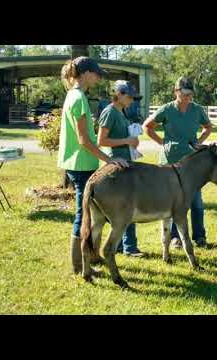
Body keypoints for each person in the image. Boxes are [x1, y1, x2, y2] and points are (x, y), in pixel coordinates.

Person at [57, 56, 129, 274]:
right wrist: (109, 159)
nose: (98, 78)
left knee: (86, 212)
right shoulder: (78, 98)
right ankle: (79, 267)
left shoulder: (73, 95)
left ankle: (87, 259)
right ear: (86, 73)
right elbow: (83, 140)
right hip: (80, 164)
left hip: (77, 162)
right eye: (97, 74)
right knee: (82, 214)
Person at [142, 76, 213, 249]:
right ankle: (175, 238)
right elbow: (147, 126)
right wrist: (162, 142)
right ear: (176, 92)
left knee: (196, 202)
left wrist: (199, 142)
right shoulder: (167, 109)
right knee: (172, 203)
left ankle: (199, 236)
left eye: (191, 94)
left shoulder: (197, 109)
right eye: (185, 93)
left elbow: (208, 127)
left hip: (190, 164)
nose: (189, 97)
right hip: (169, 163)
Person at [97, 80, 145, 258]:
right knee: (125, 208)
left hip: (125, 164)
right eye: (130, 96)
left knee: (126, 207)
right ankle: (128, 247)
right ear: (119, 94)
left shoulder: (121, 112)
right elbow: (101, 141)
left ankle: (124, 246)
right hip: (116, 168)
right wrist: (127, 141)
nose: (132, 100)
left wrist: (132, 142)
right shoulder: (110, 112)